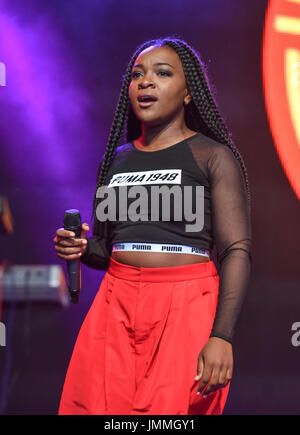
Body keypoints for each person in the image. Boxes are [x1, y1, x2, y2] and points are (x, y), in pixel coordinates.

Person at [54, 37, 252, 415]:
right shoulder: (118, 158)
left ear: (188, 92)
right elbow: (107, 247)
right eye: (137, 75)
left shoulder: (212, 156)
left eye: (162, 73)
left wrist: (222, 336)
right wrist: (81, 248)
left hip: (186, 305)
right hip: (115, 305)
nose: (146, 82)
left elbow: (236, 250)